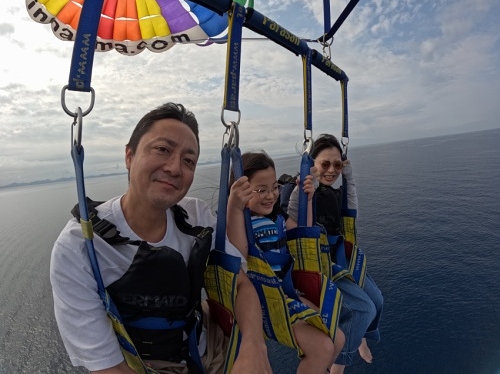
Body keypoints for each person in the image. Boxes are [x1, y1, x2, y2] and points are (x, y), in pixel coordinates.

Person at [50, 103, 273, 374]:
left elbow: (240, 283)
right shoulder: (79, 246)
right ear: (129, 156)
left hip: (205, 347)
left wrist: (253, 346)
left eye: (188, 161)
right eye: (163, 149)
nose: (175, 168)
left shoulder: (195, 216)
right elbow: (109, 367)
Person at [226, 150, 345, 374]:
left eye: (274, 187)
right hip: (266, 302)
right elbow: (238, 255)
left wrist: (308, 199)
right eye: (261, 190)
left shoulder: (277, 217)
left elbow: (301, 233)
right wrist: (234, 207)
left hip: (286, 294)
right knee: (322, 348)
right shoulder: (243, 223)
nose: (271, 195)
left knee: (338, 338)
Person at [287, 134, 383, 373]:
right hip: (316, 263)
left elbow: (350, 210)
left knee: (377, 300)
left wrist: (349, 178)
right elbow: (294, 228)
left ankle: (359, 337)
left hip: (336, 258)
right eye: (325, 164)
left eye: (337, 165)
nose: (332, 170)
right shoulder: (301, 191)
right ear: (312, 164)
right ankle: (338, 366)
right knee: (363, 310)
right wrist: (305, 189)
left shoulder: (332, 193)